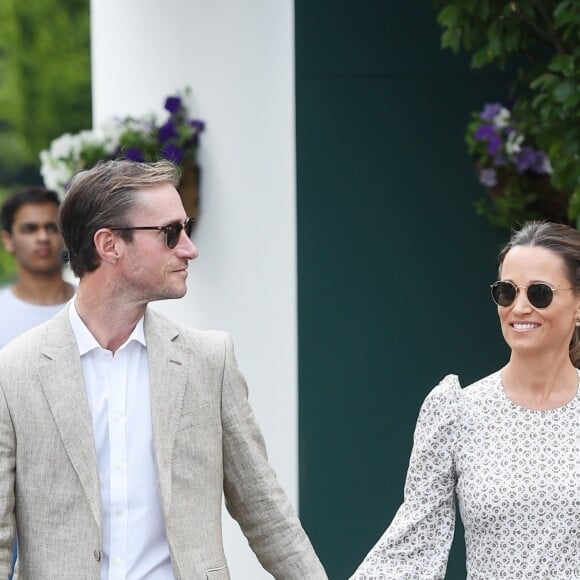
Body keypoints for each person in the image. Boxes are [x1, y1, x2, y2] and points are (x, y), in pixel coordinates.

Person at [0, 160, 328, 580]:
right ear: (109, 244)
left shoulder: (210, 360)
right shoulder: (14, 372)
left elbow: (266, 512)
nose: (189, 248)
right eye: (170, 233)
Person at [350, 221, 580, 579]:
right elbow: (413, 547)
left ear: (578, 305)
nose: (519, 308)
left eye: (539, 293)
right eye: (507, 292)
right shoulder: (456, 411)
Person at [0, 186, 75, 347]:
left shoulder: (92, 304)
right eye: (30, 229)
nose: (43, 237)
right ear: (8, 240)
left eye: (52, 228)